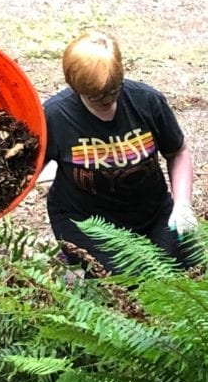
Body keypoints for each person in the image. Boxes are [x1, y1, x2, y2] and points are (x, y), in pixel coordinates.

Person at [42, 30, 199, 274]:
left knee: (172, 275)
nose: (106, 100)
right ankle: (77, 258)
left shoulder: (147, 101)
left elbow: (177, 152)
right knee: (127, 280)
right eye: (95, 95)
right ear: (75, 86)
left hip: (151, 213)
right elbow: (25, 174)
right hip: (85, 222)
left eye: (113, 90)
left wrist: (182, 204)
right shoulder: (55, 115)